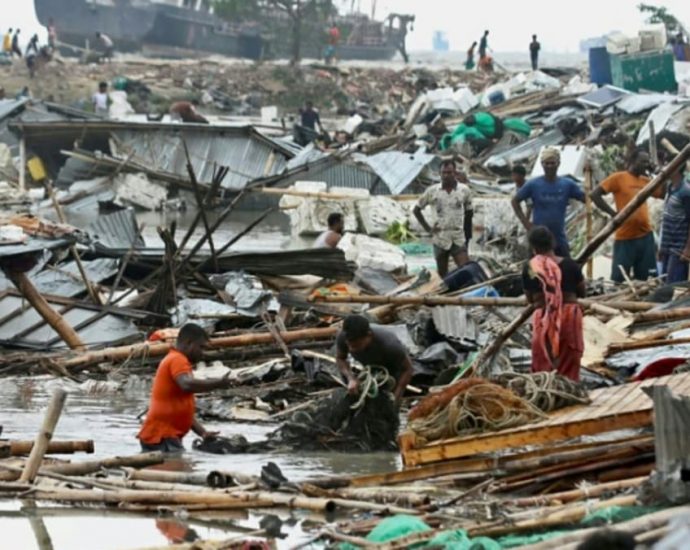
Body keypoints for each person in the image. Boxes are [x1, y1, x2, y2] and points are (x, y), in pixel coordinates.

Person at [137, 323, 233, 452]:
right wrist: (219, 383)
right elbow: (186, 384)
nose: (202, 353)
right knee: (179, 468)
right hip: (162, 436)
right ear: (189, 343)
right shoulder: (178, 359)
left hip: (161, 436)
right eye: (201, 347)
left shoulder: (176, 359)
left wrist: (203, 433)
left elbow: (181, 410)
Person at [523, 226, 585, 382]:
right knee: (569, 358)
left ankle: (545, 392)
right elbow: (582, 291)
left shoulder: (531, 268)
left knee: (542, 358)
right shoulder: (571, 265)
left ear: (533, 247)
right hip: (569, 315)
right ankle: (569, 390)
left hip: (543, 317)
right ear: (553, 243)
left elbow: (530, 298)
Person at [591, 149, 661, 282]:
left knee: (647, 279)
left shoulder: (646, 181)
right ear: (632, 161)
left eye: (648, 162)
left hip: (645, 236)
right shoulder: (618, 178)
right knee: (619, 279)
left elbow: (664, 193)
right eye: (643, 161)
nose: (646, 164)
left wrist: (657, 172)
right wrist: (613, 214)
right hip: (625, 237)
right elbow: (595, 195)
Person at [512, 148, 585, 257]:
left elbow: (586, 199)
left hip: (559, 237)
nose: (549, 166)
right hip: (538, 238)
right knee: (535, 270)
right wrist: (526, 224)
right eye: (546, 163)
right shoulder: (533, 184)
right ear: (542, 164)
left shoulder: (567, 184)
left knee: (565, 268)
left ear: (558, 164)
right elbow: (515, 201)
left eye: (552, 163)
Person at [336, 315, 413, 406]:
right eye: (349, 346)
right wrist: (351, 378)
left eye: (357, 346)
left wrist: (396, 398)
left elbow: (408, 370)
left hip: (391, 370)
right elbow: (340, 358)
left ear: (369, 335)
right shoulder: (343, 336)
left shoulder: (389, 345)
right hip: (369, 368)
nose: (352, 350)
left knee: (386, 405)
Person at [414, 159, 474, 278]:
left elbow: (469, 213)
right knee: (442, 274)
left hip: (458, 237)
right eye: (444, 173)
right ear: (440, 174)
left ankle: (465, 293)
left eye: (449, 172)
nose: (446, 176)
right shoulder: (432, 191)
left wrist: (468, 236)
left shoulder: (464, 190)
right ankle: (447, 295)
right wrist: (428, 229)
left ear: (455, 173)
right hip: (440, 238)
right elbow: (416, 210)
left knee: (467, 270)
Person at [659, 157, 690, 283]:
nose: (665, 168)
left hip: (678, 248)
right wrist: (662, 247)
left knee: (673, 286)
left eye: (668, 165)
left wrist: (688, 249)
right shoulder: (670, 187)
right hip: (667, 246)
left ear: (677, 168)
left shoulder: (686, 192)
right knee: (664, 282)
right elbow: (665, 218)